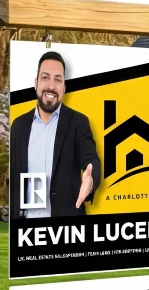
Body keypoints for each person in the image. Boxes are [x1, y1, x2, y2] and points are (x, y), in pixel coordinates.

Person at [8, 51, 98, 218]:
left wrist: (91, 180)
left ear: (64, 88)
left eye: (58, 79)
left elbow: (91, 160)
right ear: (35, 83)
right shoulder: (19, 126)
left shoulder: (78, 123)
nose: (51, 85)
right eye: (45, 77)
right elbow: (15, 181)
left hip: (66, 234)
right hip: (27, 234)